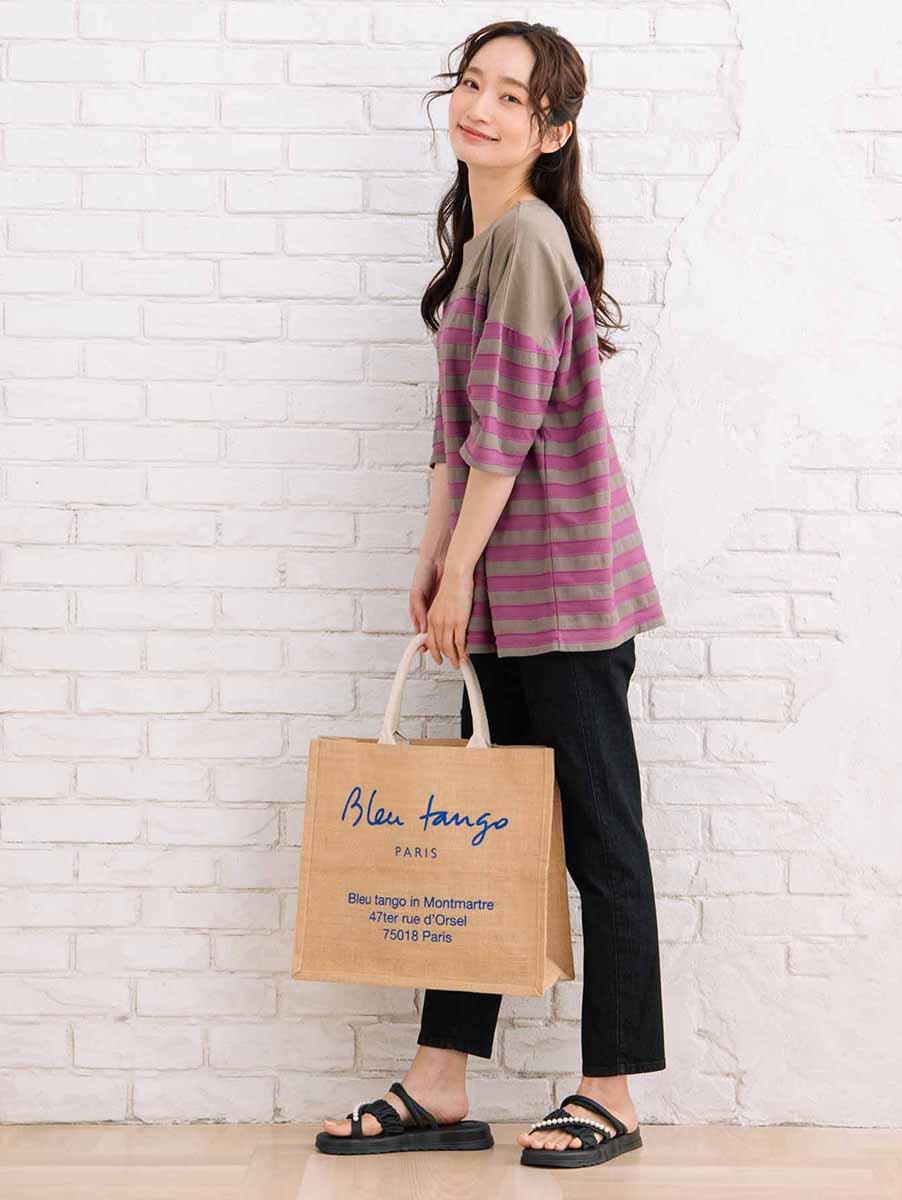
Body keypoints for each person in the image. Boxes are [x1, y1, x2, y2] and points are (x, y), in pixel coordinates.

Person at [319, 19, 667, 1170]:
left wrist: (458, 568)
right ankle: (439, 1082)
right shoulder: (482, 244)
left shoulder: (526, 237)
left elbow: (506, 433)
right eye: (473, 84)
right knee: (491, 839)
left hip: (561, 594)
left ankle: (611, 1093)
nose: (481, 107)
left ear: (552, 130)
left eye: (512, 96)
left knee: (600, 846)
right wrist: (434, 558)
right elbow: (454, 430)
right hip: (503, 598)